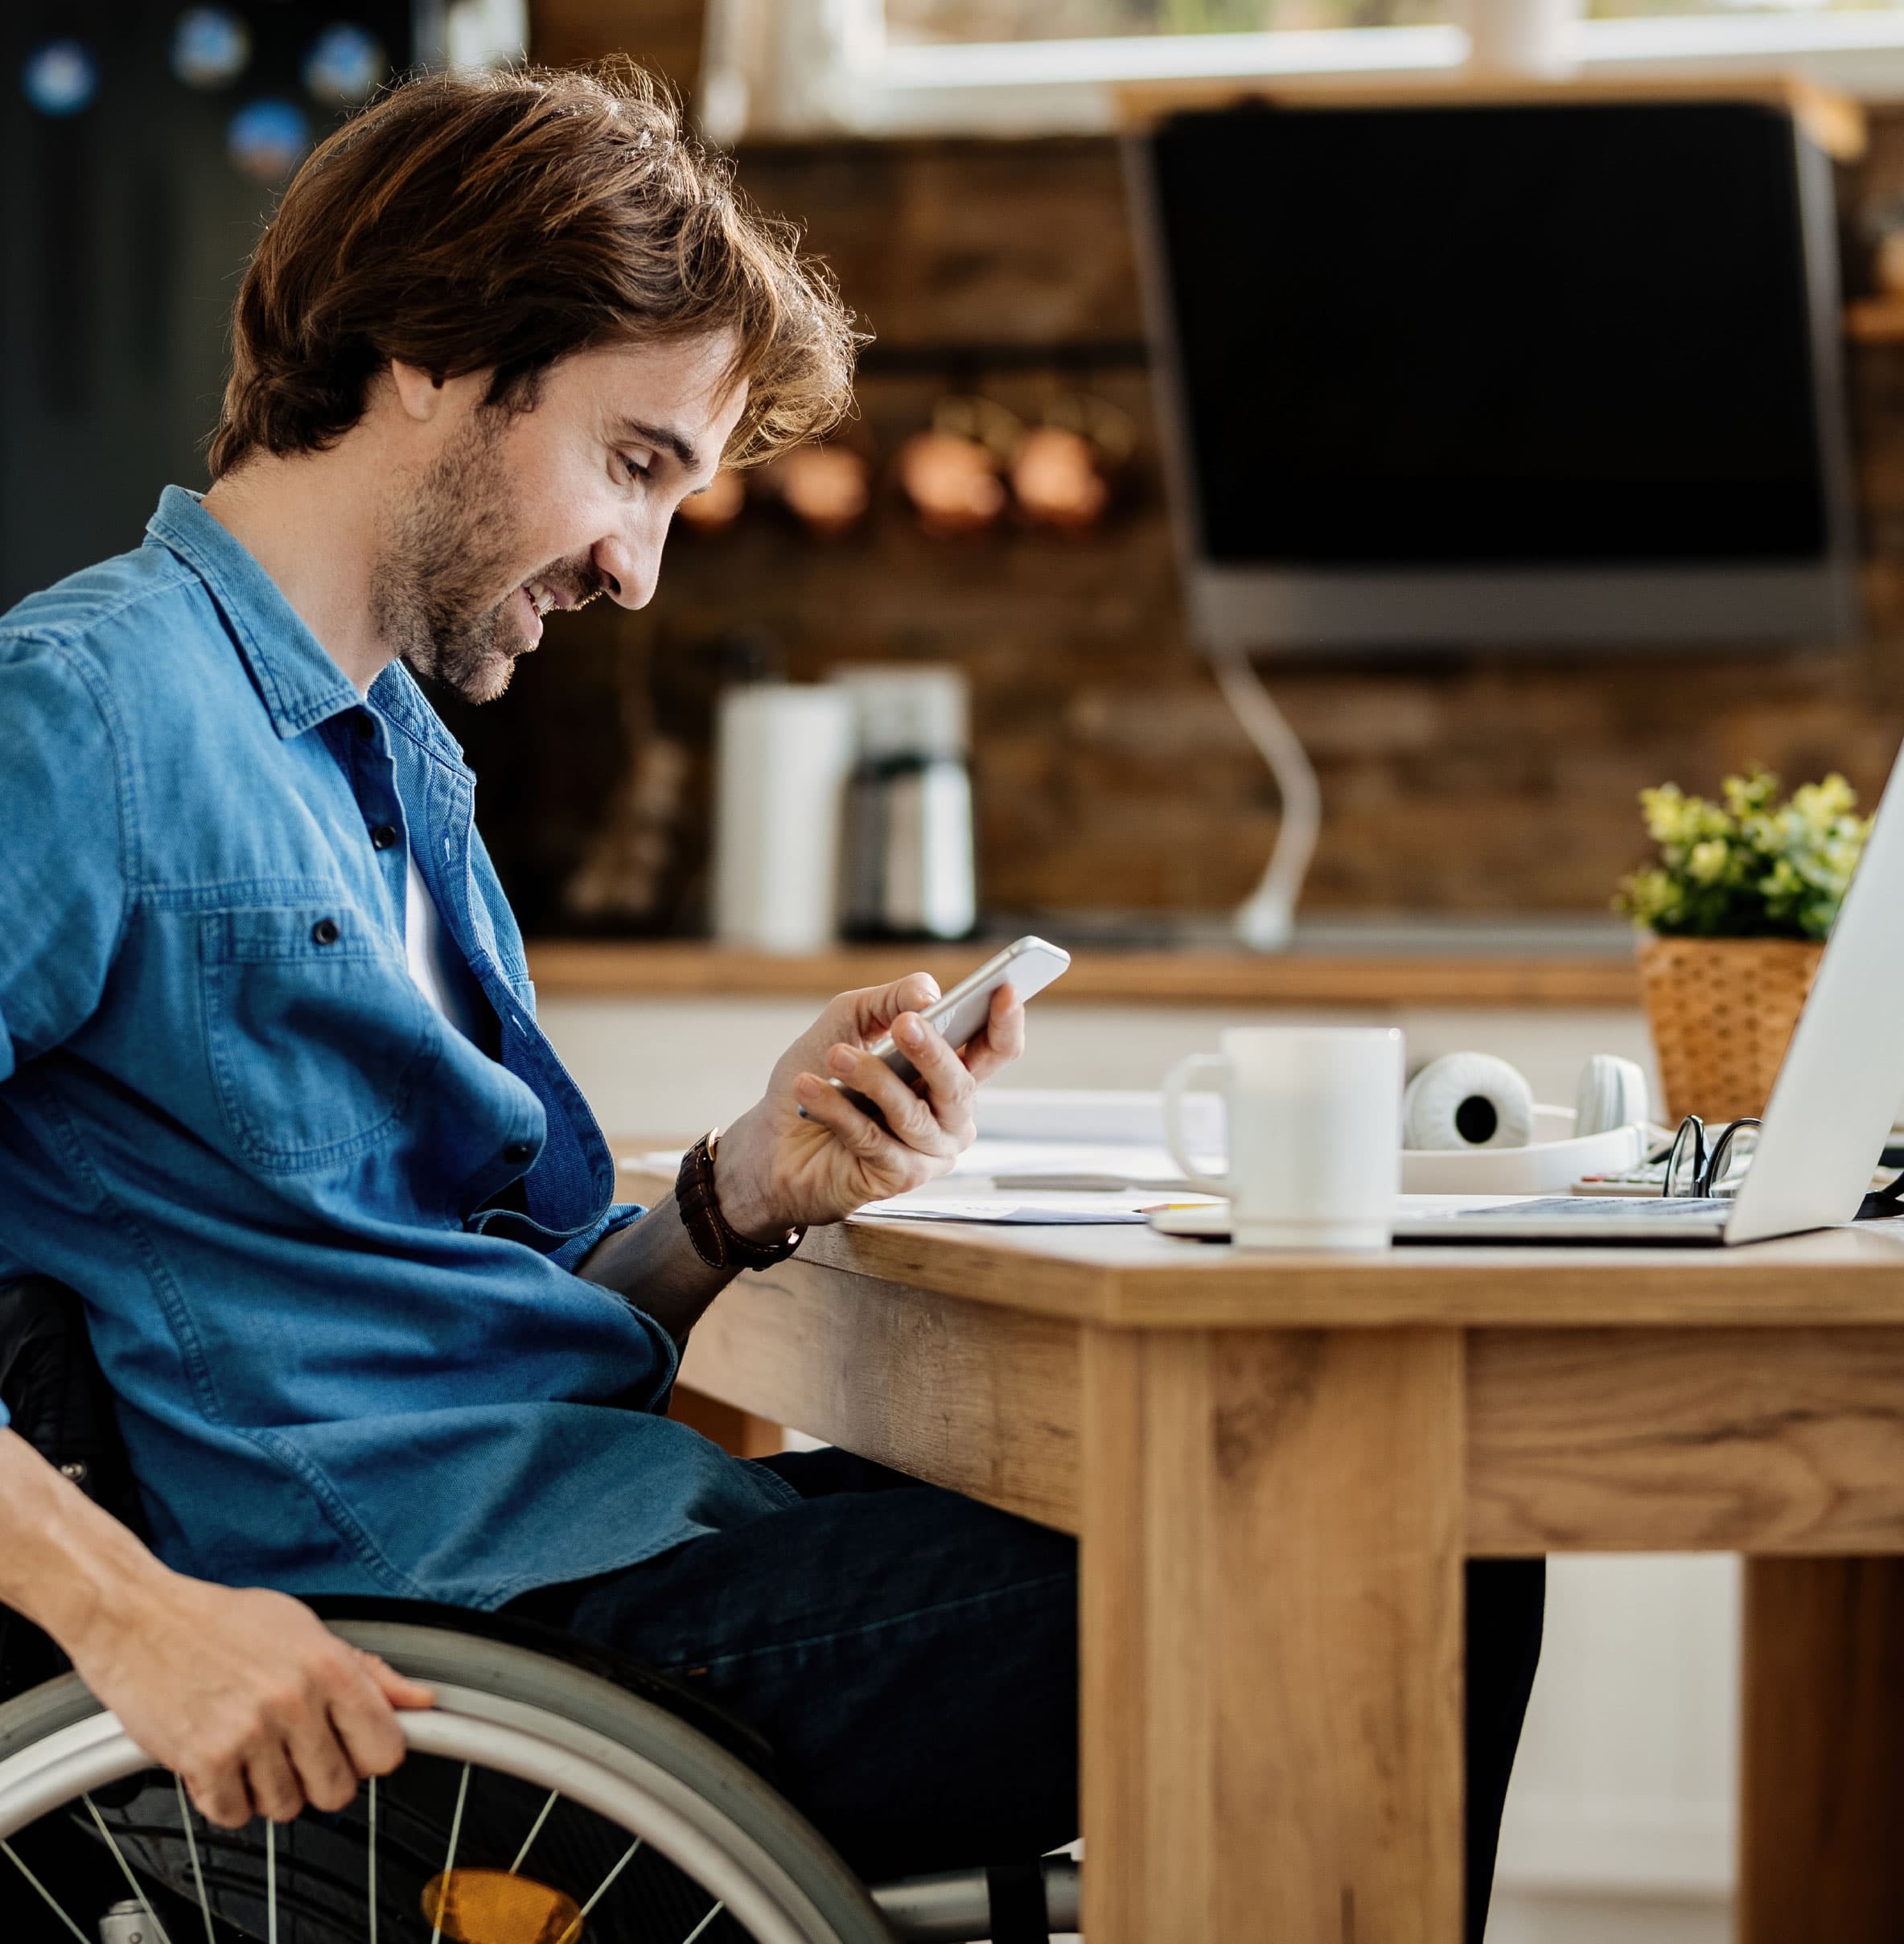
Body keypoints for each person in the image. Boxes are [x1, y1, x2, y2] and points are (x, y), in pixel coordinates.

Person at [0, 59, 1544, 1927]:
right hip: (475, 1642)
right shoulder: (82, 717)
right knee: (1392, 1557)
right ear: (427, 351)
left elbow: (452, 1316)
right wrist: (136, 1621)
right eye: (632, 465)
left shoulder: (394, 760)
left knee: (1424, 1514)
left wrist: (736, 1196)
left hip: (593, 1548)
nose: (638, 572)